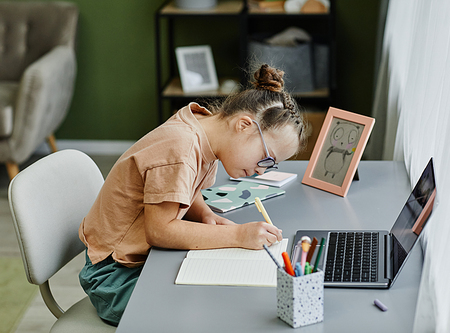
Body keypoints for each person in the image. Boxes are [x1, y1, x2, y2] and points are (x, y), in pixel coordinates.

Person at [78, 64, 307, 326]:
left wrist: (204, 213)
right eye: (266, 159)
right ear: (243, 125)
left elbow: (186, 187)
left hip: (141, 260)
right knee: (210, 313)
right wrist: (237, 235)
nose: (260, 171)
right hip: (114, 275)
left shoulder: (201, 127)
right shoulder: (181, 149)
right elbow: (160, 231)